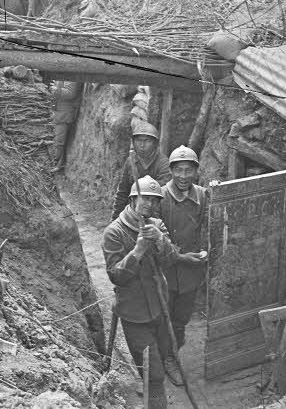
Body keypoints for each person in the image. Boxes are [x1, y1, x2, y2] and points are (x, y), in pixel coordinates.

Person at [103, 175, 178, 409]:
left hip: (160, 307)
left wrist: (160, 241)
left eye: (155, 201)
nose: (149, 204)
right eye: (145, 198)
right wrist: (137, 251)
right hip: (134, 313)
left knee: (162, 357)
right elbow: (117, 276)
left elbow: (171, 259)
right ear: (133, 198)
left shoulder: (156, 224)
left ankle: (150, 389)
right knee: (153, 374)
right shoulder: (114, 232)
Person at [158, 145, 208, 386]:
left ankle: (172, 352)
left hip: (190, 271)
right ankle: (166, 358)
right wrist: (180, 256)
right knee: (163, 315)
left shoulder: (202, 196)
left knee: (181, 318)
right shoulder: (159, 196)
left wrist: (205, 251)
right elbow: (156, 238)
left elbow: (208, 226)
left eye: (189, 170)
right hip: (165, 269)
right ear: (171, 171)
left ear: (196, 172)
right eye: (179, 170)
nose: (184, 176)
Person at [112, 120, 171, 219]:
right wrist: (115, 218)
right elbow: (123, 192)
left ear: (155, 143)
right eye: (138, 140)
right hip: (133, 212)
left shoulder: (163, 163)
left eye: (147, 141)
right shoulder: (131, 161)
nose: (142, 145)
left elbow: (162, 194)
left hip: (155, 214)